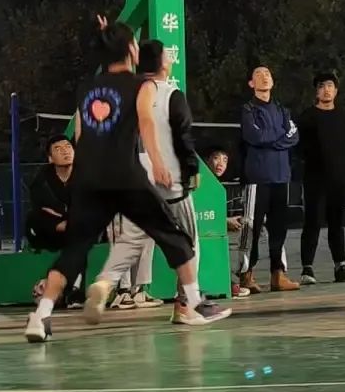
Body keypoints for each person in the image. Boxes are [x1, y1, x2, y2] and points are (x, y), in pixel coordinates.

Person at [24, 18, 229, 343]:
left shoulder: (86, 89)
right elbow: (146, 122)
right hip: (125, 176)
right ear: (132, 50)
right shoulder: (140, 86)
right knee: (176, 238)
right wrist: (158, 162)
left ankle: (41, 316)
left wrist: (106, 32)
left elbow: (80, 133)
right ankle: (193, 302)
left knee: (74, 251)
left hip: (89, 179)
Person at [90, 40, 206, 318]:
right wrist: (191, 169)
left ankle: (105, 283)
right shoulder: (170, 94)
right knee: (188, 242)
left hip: (133, 177)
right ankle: (185, 305)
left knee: (131, 240)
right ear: (163, 63)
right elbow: (183, 137)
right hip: (168, 178)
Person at [237, 66, 300, 293]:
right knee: (251, 227)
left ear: (272, 81)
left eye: (267, 74)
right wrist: (277, 137)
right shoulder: (248, 109)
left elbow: (293, 136)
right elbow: (254, 136)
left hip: (281, 176)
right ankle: (246, 274)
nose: (264, 77)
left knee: (279, 228)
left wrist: (270, 140)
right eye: (258, 74)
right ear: (251, 84)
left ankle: (278, 274)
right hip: (257, 177)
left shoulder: (282, 110)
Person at [296, 71, 345, 285]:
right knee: (312, 222)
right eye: (322, 86)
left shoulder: (344, 116)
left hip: (338, 178)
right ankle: (307, 269)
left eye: (330, 86)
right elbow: (299, 148)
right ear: (316, 91)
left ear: (336, 90)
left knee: (337, 223)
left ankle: (341, 266)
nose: (326, 90)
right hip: (315, 179)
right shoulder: (307, 117)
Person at [26, 135, 85, 308]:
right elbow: (41, 209)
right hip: (52, 231)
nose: (65, 151)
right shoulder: (42, 179)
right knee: (34, 217)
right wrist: (58, 222)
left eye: (68, 147)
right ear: (50, 158)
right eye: (58, 149)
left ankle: (72, 292)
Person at [207, 148, 250, 298]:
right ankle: (230, 283)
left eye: (225, 160)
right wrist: (224, 221)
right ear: (207, 160)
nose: (220, 164)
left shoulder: (217, 185)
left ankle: (238, 277)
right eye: (216, 158)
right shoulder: (202, 183)